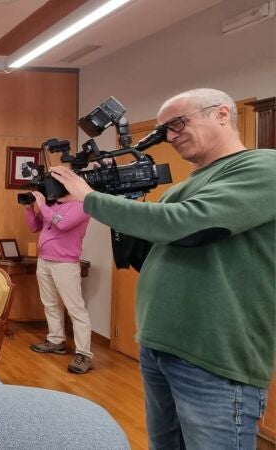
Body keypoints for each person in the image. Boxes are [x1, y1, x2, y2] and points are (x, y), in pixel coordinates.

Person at [49, 88, 275, 449]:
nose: (170, 136)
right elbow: (147, 253)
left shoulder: (263, 167)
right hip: (160, 346)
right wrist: (112, 192)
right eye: (164, 130)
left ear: (221, 114)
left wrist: (89, 198)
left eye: (178, 123)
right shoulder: (191, 183)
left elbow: (186, 226)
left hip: (213, 356)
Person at [24, 189, 93, 374]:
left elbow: (62, 223)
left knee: (75, 309)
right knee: (50, 304)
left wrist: (42, 205)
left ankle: (84, 354)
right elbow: (34, 227)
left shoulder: (82, 204)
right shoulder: (52, 204)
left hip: (65, 264)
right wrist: (29, 208)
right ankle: (56, 340)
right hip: (44, 260)